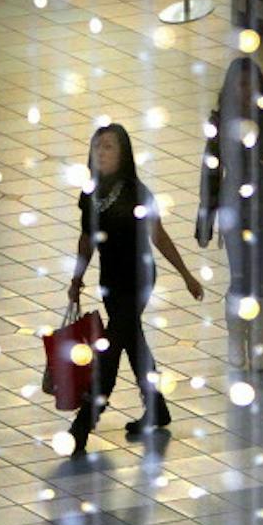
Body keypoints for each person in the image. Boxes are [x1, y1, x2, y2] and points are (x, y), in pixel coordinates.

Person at [67, 122, 203, 454]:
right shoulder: (89, 193)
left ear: (124, 154)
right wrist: (76, 279)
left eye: (109, 146)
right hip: (111, 281)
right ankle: (156, 406)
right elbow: (86, 240)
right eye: (98, 146)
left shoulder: (137, 193)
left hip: (139, 278)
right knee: (132, 341)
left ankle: (84, 421)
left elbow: (158, 235)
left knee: (111, 350)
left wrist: (186, 274)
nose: (102, 152)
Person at [195, 58, 263, 372]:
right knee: (240, 278)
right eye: (240, 84)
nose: (246, 91)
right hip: (234, 211)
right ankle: (236, 342)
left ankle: (258, 346)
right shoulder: (220, 123)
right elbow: (210, 171)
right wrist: (205, 216)